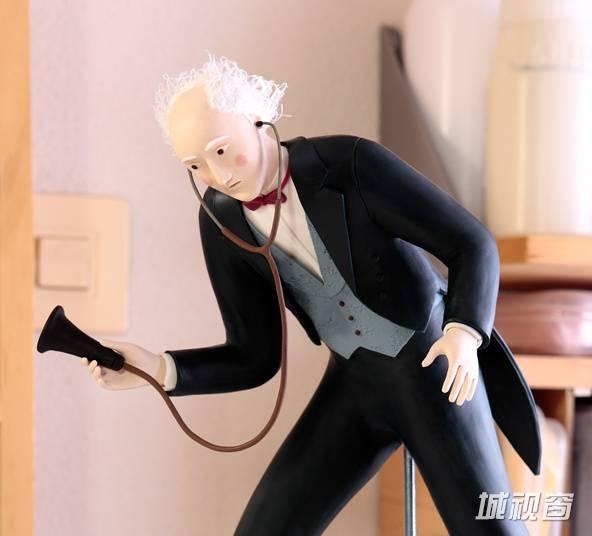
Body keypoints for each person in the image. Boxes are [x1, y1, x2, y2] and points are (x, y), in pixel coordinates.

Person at [82, 55, 539, 535]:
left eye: (221, 151)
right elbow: (253, 356)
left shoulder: (349, 164)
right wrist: (156, 369)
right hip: (355, 387)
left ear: (256, 118)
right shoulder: (220, 221)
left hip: (435, 368)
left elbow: (472, 244)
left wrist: (464, 333)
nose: (217, 175)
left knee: (490, 528)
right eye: (196, 165)